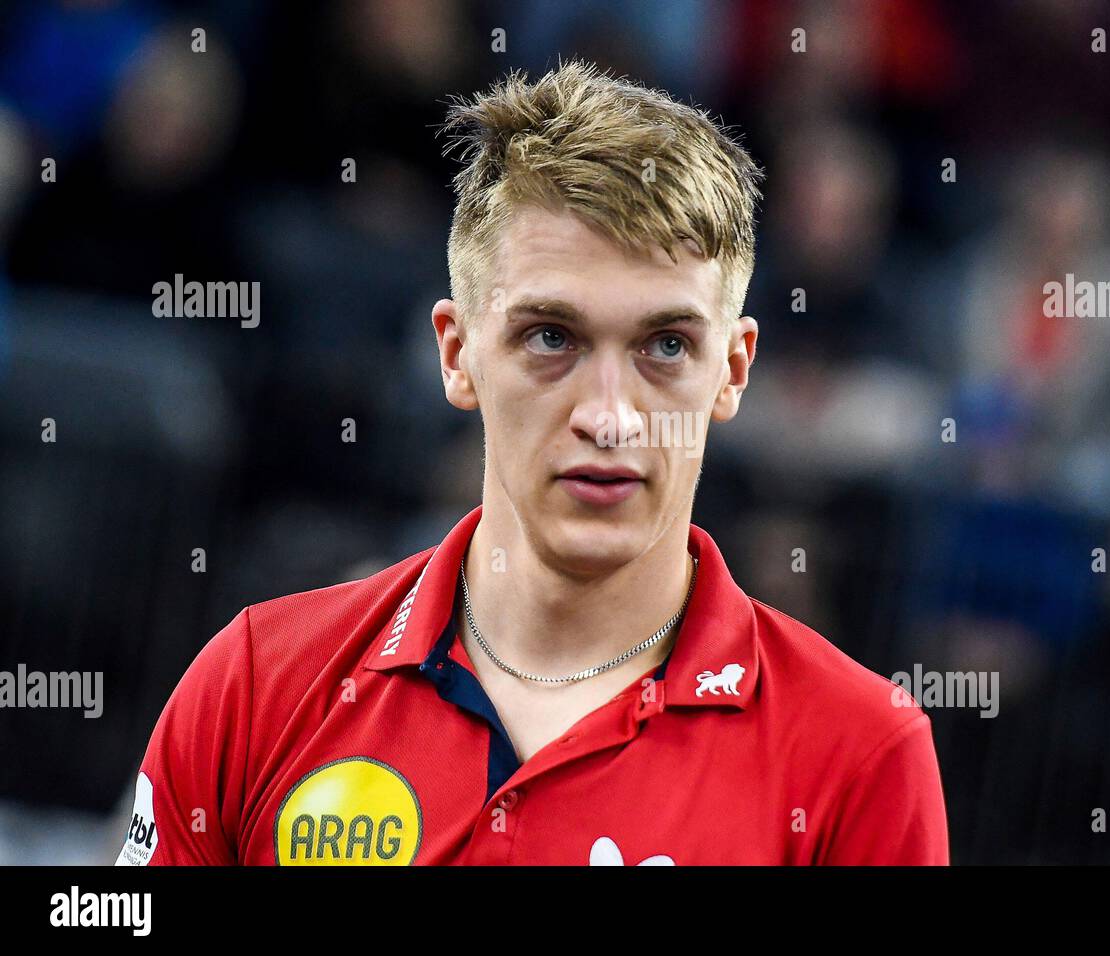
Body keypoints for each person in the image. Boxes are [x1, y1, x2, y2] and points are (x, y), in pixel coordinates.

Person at [115, 59, 948, 866]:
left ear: (732, 369)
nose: (609, 416)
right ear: (457, 353)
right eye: (552, 337)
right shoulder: (258, 683)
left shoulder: (861, 754)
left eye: (665, 345)